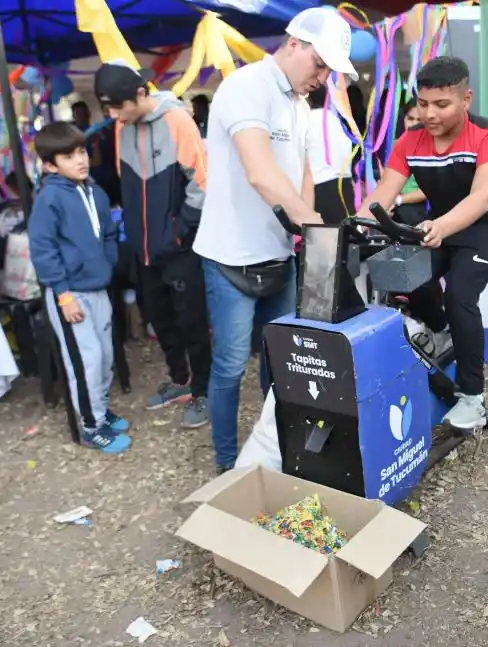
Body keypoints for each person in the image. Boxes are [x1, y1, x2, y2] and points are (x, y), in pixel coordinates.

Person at [194, 6, 357, 472]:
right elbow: (261, 173)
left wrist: (305, 233)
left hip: (278, 255)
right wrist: (316, 227)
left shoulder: (300, 105)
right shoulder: (245, 87)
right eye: (319, 64)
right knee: (229, 367)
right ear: (293, 44)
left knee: (282, 362)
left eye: (328, 71)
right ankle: (227, 465)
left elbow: (301, 173)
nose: (321, 78)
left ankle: (277, 453)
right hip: (230, 255)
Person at [353, 56, 488, 432]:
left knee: (460, 295)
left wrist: (441, 226)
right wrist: (355, 227)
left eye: (442, 104)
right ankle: (444, 334)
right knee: (405, 274)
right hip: (442, 225)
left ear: (466, 99)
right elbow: (384, 192)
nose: (429, 114)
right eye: (423, 103)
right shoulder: (410, 141)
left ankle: (472, 399)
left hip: (487, 227)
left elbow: (483, 197)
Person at [94, 60, 211, 428]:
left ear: (141, 93)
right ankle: (180, 380)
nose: (113, 115)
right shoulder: (121, 127)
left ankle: (204, 389)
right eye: (108, 108)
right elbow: (126, 181)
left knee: (192, 320)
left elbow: (202, 182)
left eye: (118, 106)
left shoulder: (176, 119)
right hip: (143, 247)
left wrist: (179, 230)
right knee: (160, 318)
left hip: (178, 246)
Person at [27, 122, 132, 454]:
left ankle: (98, 410)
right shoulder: (49, 198)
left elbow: (110, 234)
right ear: (50, 165)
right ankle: (90, 426)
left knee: (105, 356)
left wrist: (108, 265)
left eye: (82, 152)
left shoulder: (96, 192)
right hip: (70, 295)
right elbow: (43, 250)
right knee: (86, 360)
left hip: (98, 288)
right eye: (69, 156)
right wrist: (63, 294)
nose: (80, 160)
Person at [307, 86, 354, 224]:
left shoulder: (306, 119)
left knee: (322, 235)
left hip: (319, 188)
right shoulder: (339, 120)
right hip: (345, 186)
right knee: (345, 233)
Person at [391, 98, 428, 227]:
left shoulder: (432, 148)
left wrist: (398, 200)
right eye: (410, 118)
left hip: (416, 211)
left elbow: (427, 192)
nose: (413, 124)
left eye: (419, 120)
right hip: (392, 207)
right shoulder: (393, 145)